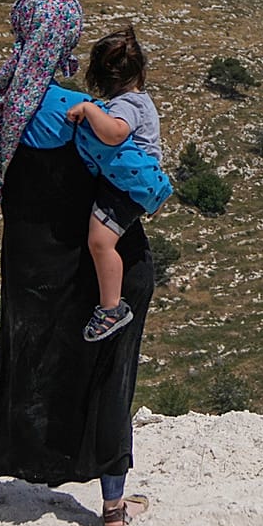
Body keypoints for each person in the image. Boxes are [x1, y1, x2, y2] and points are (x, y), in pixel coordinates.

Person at [0, 0, 155, 526]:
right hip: (99, 266)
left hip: (29, 267)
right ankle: (111, 504)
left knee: (16, 360)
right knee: (108, 373)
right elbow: (128, 172)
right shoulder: (81, 110)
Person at [65, 25, 164, 343]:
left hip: (126, 187)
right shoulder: (140, 98)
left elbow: (116, 133)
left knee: (100, 243)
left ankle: (111, 308)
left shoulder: (126, 106)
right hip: (132, 183)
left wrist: (90, 109)